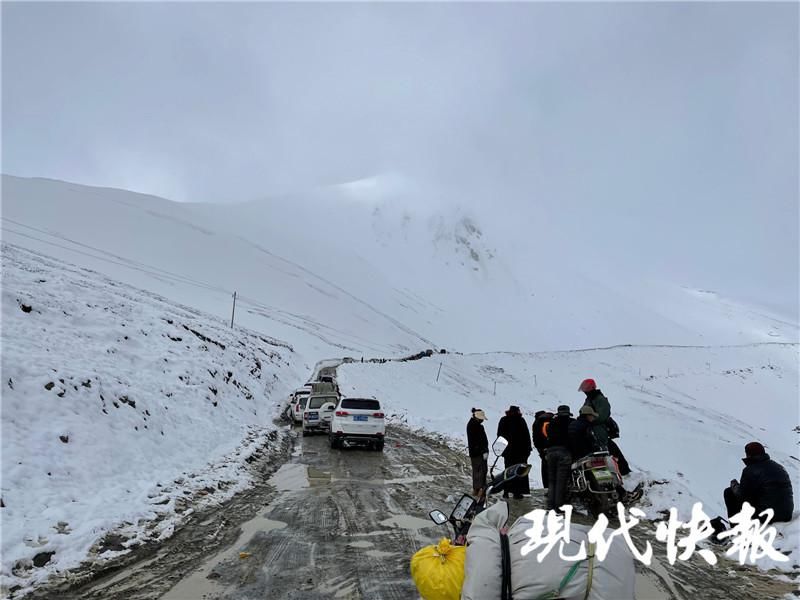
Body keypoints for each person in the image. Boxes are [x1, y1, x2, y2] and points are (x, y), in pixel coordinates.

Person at [723, 442, 794, 523]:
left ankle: (736, 527)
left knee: (729, 492)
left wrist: (734, 486)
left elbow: (743, 496)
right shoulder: (778, 467)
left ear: (749, 455)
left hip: (766, 516)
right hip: (786, 514)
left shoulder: (749, 470)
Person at [579, 378, 631, 476]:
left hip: (599, 430)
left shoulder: (599, 399)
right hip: (593, 430)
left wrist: (591, 420)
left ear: (591, 388)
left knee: (608, 450)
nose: (585, 391)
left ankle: (624, 471)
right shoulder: (590, 399)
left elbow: (603, 415)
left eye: (586, 389)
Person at [497, 405, 532, 499]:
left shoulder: (504, 420)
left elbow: (500, 436)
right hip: (520, 452)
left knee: (508, 472)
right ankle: (517, 492)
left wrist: (501, 449)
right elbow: (526, 436)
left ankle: (506, 491)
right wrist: (528, 449)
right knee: (519, 472)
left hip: (508, 452)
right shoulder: (520, 420)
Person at [546, 405, 574, 511]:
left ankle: (550, 505)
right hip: (564, 452)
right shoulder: (571, 422)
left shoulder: (552, 423)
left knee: (552, 480)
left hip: (551, 451)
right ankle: (558, 507)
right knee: (561, 481)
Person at [466, 408, 489, 496]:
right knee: (481, 471)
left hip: (474, 452)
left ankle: (476, 489)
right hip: (479, 453)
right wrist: (484, 451)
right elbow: (480, 441)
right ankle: (481, 490)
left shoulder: (471, 425)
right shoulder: (476, 427)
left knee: (476, 471)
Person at [532, 410, 554, 489]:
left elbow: (536, 440)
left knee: (546, 471)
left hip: (545, 451)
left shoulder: (537, 423)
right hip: (556, 448)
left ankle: (548, 489)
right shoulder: (553, 420)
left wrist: (541, 450)